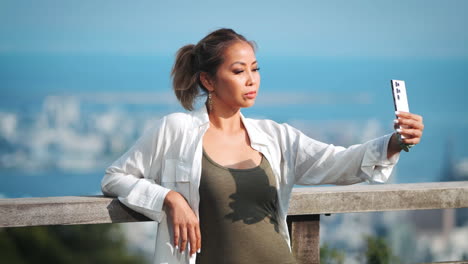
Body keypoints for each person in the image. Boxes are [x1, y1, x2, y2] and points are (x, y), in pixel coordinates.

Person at [101, 28, 424, 264]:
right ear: (208, 81)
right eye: (239, 71)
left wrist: (395, 141)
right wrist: (169, 198)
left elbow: (338, 163)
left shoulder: (275, 135)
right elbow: (115, 177)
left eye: (255, 69)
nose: (251, 79)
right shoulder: (176, 130)